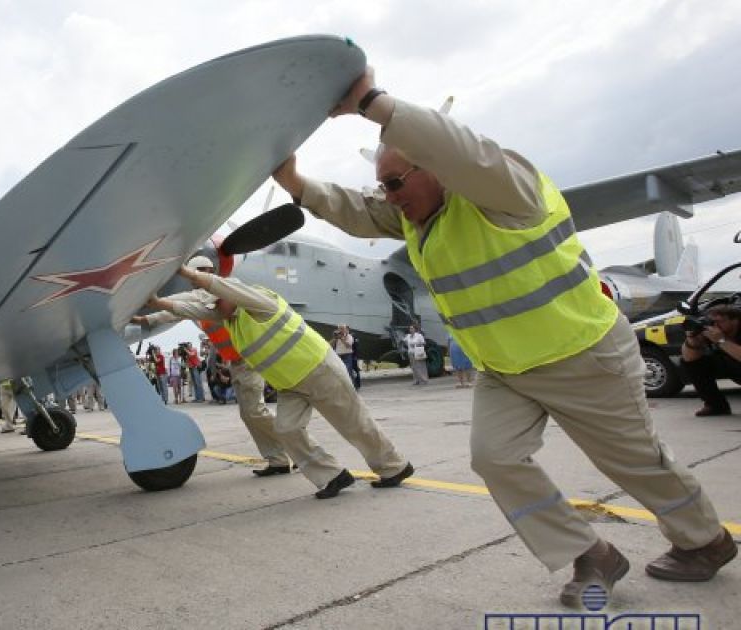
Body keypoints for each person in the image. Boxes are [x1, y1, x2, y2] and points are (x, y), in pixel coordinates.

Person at [271, 66, 735, 605]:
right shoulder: (420, 219)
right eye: (384, 186)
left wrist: (375, 104)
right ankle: (592, 555)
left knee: (633, 461)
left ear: (437, 166)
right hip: (507, 369)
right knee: (494, 457)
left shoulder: (506, 191)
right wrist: (295, 184)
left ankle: (706, 541)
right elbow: (358, 212)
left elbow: (469, 154)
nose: (389, 196)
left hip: (582, 355)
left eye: (396, 183)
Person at [141, 259, 414, 499]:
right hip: (289, 385)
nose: (215, 307)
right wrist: (155, 305)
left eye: (218, 300)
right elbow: (187, 309)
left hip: (318, 370)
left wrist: (182, 270)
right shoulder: (231, 320)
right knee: (287, 430)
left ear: (231, 293)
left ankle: (395, 467)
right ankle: (332, 475)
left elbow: (216, 287)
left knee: (354, 424)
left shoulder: (260, 301)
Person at [133, 255, 300, 478]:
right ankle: (280, 459)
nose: (207, 274)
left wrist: (147, 315)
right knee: (250, 413)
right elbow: (176, 309)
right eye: (203, 270)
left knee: (254, 412)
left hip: (248, 360)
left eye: (209, 270)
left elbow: (179, 303)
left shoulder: (217, 291)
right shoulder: (202, 297)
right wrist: (149, 317)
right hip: (238, 362)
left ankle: (300, 451)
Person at [680, 304, 741, 416]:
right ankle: (715, 405)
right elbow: (689, 358)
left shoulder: (720, 336)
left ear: (735, 320)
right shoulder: (711, 332)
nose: (715, 326)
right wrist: (692, 340)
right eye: (712, 322)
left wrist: (721, 341)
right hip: (732, 367)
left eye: (719, 322)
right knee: (694, 363)